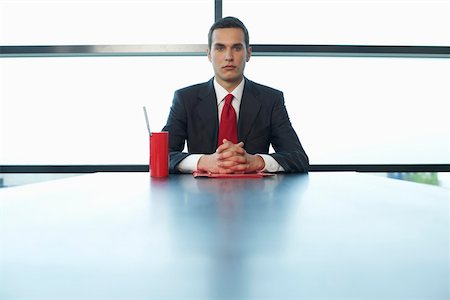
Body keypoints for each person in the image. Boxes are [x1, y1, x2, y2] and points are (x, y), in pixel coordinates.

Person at [163, 16, 308, 174]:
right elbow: (163, 155)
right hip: (200, 195)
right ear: (209, 54)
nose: (228, 57)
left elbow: (298, 157)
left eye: (237, 48)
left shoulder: (271, 100)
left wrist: (256, 162)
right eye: (220, 48)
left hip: (255, 195)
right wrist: (202, 162)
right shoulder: (185, 99)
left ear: (248, 54)